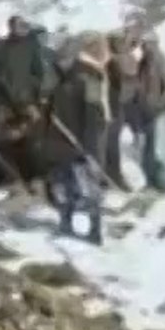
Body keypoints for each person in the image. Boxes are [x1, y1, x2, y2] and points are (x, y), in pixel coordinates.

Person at [40, 32, 108, 244]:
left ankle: (95, 229)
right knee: (63, 185)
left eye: (62, 58)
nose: (59, 62)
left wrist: (89, 145)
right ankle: (65, 222)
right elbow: (49, 107)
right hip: (59, 140)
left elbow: (95, 114)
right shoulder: (55, 77)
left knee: (89, 187)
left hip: (82, 141)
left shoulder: (88, 76)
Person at [0, 15, 47, 186]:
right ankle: (7, 175)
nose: (21, 29)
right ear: (10, 27)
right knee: (4, 140)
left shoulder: (31, 47)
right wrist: (1, 96)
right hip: (4, 101)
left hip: (27, 99)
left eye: (23, 26)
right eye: (17, 26)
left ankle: (32, 174)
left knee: (31, 137)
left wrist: (34, 91)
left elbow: (38, 72)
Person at [134, 34, 165, 193]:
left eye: (148, 44)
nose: (145, 48)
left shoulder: (163, 62)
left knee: (161, 149)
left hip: (160, 113)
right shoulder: (142, 63)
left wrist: (158, 106)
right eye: (143, 45)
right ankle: (150, 180)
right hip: (144, 113)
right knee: (148, 150)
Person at [103, 31, 140, 191]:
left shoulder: (114, 60)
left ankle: (113, 176)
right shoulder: (127, 58)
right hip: (121, 104)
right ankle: (114, 176)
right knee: (111, 142)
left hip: (117, 104)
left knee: (110, 142)